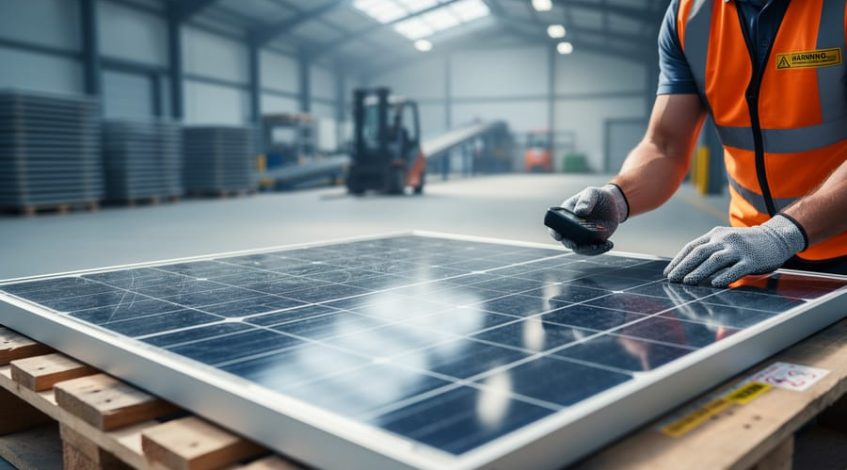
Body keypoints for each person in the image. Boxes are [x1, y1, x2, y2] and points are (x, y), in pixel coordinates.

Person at [550, 0, 847, 287]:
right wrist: (617, 198)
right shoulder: (689, 15)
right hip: (746, 254)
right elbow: (665, 146)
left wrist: (781, 235)